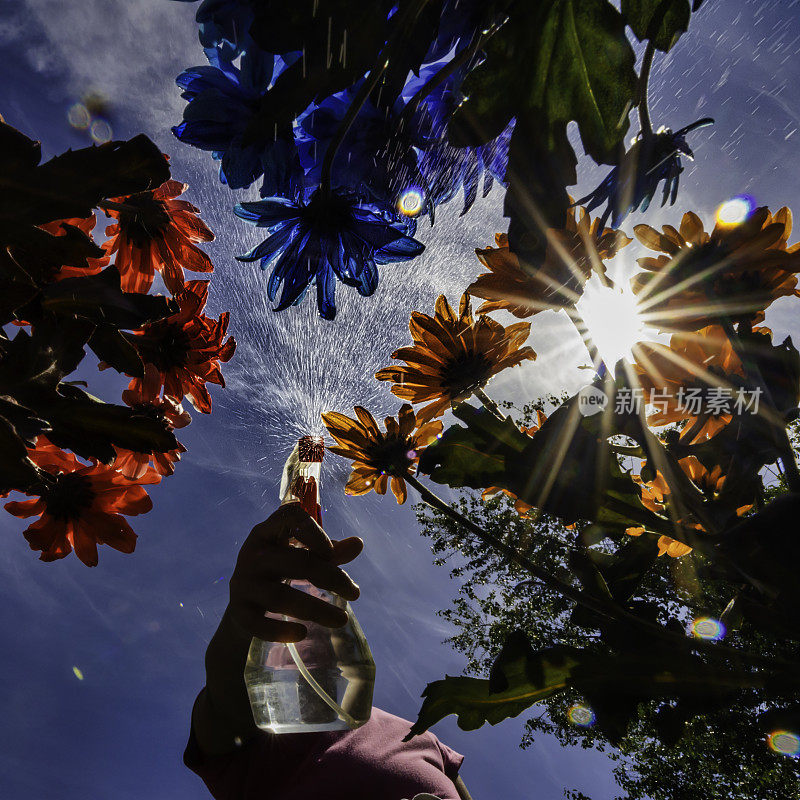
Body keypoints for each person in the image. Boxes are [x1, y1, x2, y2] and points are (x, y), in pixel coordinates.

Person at [184, 502, 473, 800]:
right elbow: (225, 697)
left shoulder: (420, 737)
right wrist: (240, 622)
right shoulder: (263, 735)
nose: (310, 634)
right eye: (293, 630)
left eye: (322, 628)